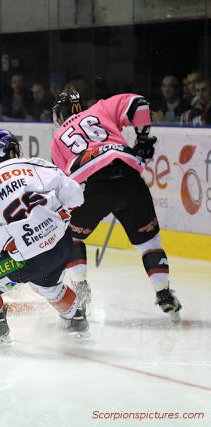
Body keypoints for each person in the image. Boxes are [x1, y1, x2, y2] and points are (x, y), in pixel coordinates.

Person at [50, 90, 182, 321]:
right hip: (128, 176)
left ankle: (80, 288)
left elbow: (64, 186)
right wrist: (141, 140)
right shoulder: (100, 108)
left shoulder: (58, 138)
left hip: (91, 186)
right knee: (149, 242)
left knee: (71, 237)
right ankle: (164, 293)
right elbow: (139, 103)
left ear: (59, 114)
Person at [0, 129, 88, 341]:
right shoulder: (36, 164)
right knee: (46, 284)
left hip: (25, 260)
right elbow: (76, 195)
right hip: (61, 246)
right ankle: (76, 317)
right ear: (12, 151)